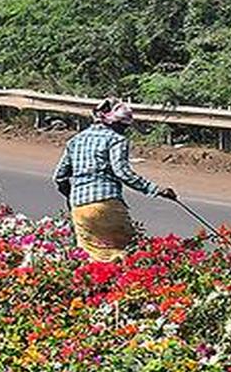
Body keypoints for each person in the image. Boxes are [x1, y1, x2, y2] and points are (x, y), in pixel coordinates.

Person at [53, 98, 176, 262]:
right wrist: (155, 190)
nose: (124, 130)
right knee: (128, 253)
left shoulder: (75, 141)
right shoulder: (116, 139)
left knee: (93, 257)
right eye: (123, 126)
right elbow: (122, 172)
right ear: (114, 123)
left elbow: (59, 177)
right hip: (107, 203)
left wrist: (72, 196)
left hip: (79, 208)